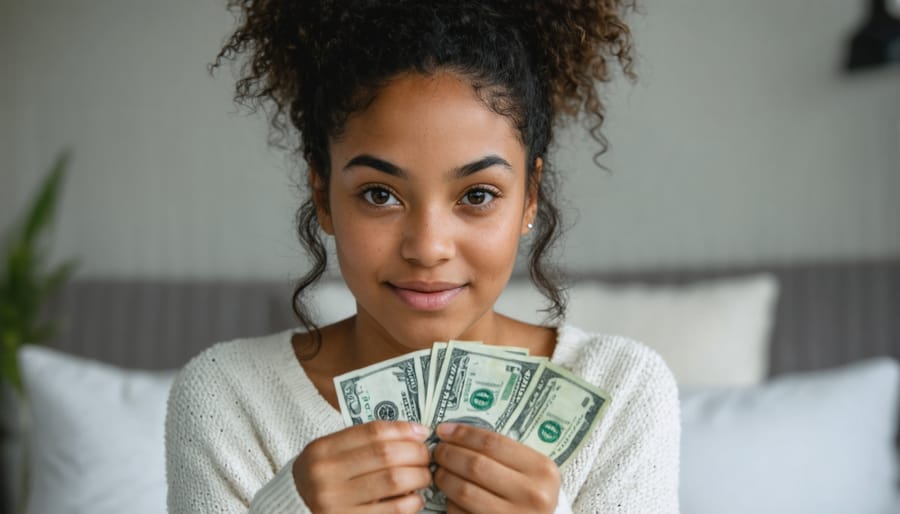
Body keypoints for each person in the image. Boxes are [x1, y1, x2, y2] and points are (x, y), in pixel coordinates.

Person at [165, 1, 680, 513]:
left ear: (530, 198)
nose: (428, 248)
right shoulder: (226, 397)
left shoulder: (623, 389)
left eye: (477, 195)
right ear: (322, 196)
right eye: (379, 194)